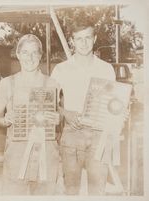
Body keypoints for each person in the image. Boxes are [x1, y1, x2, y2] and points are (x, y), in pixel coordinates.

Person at [51, 17, 116, 195]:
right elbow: (49, 103)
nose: (84, 43)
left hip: (99, 135)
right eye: (79, 38)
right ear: (72, 41)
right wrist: (65, 113)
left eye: (88, 37)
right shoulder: (61, 69)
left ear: (94, 39)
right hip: (72, 134)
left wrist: (118, 113)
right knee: (71, 190)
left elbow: (113, 103)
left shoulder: (106, 69)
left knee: (98, 190)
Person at [0, 34, 60, 195]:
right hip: (16, 155)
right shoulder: (6, 83)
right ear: (18, 54)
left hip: (46, 155)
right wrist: (5, 119)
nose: (30, 57)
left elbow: (58, 116)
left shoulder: (53, 84)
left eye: (34, 52)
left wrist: (59, 119)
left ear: (41, 56)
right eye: (25, 52)